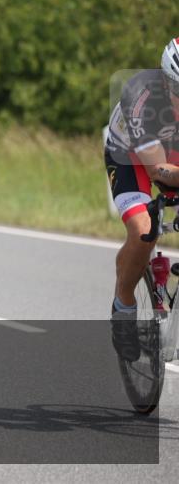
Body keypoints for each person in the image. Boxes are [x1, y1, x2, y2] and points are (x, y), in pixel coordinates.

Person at [105, 37, 179, 361]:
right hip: (131, 156)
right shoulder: (141, 95)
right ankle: (123, 305)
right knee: (143, 228)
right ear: (165, 82)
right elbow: (159, 171)